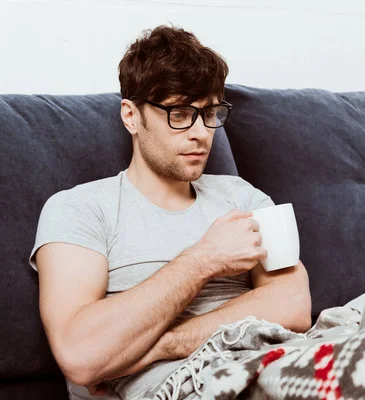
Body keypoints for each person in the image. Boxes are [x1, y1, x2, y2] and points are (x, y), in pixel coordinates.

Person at [29, 25, 312, 399]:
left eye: (210, 112)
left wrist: (163, 344)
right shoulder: (78, 209)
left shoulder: (241, 197)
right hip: (194, 386)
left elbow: (293, 305)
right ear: (131, 116)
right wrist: (203, 260)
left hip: (281, 360)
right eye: (179, 113)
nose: (201, 133)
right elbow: (81, 355)